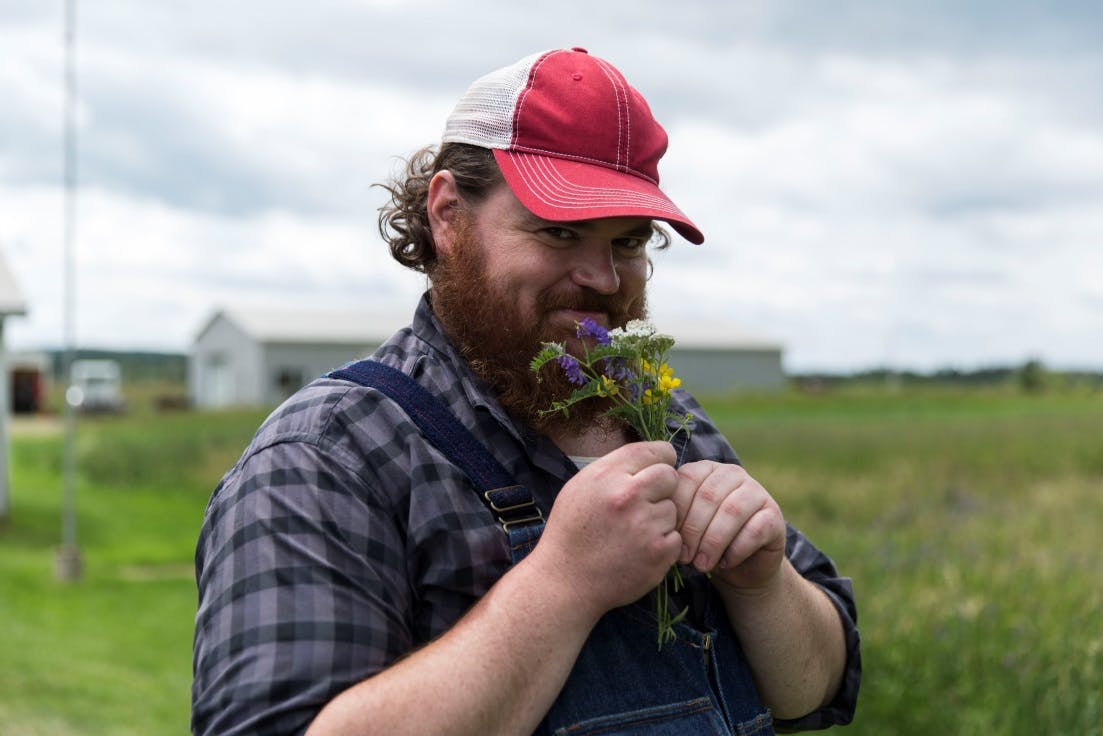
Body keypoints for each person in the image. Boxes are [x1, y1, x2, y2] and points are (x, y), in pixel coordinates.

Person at [191, 47, 860, 735]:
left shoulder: (664, 420)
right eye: (559, 231)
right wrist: (562, 584)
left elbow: (814, 692)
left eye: (628, 241)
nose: (602, 278)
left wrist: (762, 582)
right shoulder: (328, 458)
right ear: (447, 214)